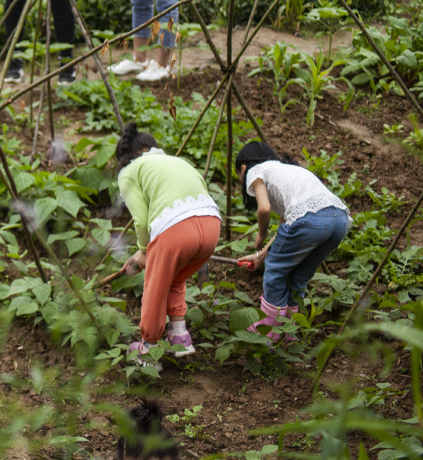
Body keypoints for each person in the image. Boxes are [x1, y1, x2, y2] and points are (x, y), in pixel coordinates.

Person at [115, 122, 220, 367]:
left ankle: (149, 348)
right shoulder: (179, 161)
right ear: (151, 148)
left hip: (176, 229)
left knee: (155, 285)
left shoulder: (130, 171)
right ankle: (180, 336)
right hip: (211, 225)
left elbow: (141, 221)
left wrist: (143, 252)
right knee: (174, 276)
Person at [235, 141, 350, 342]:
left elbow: (263, 209)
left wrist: (261, 234)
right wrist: (261, 255)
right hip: (338, 221)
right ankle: (290, 329)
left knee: (275, 271)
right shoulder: (288, 174)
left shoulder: (255, 170)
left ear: (243, 168)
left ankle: (269, 329)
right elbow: (285, 232)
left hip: (310, 220)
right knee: (299, 275)